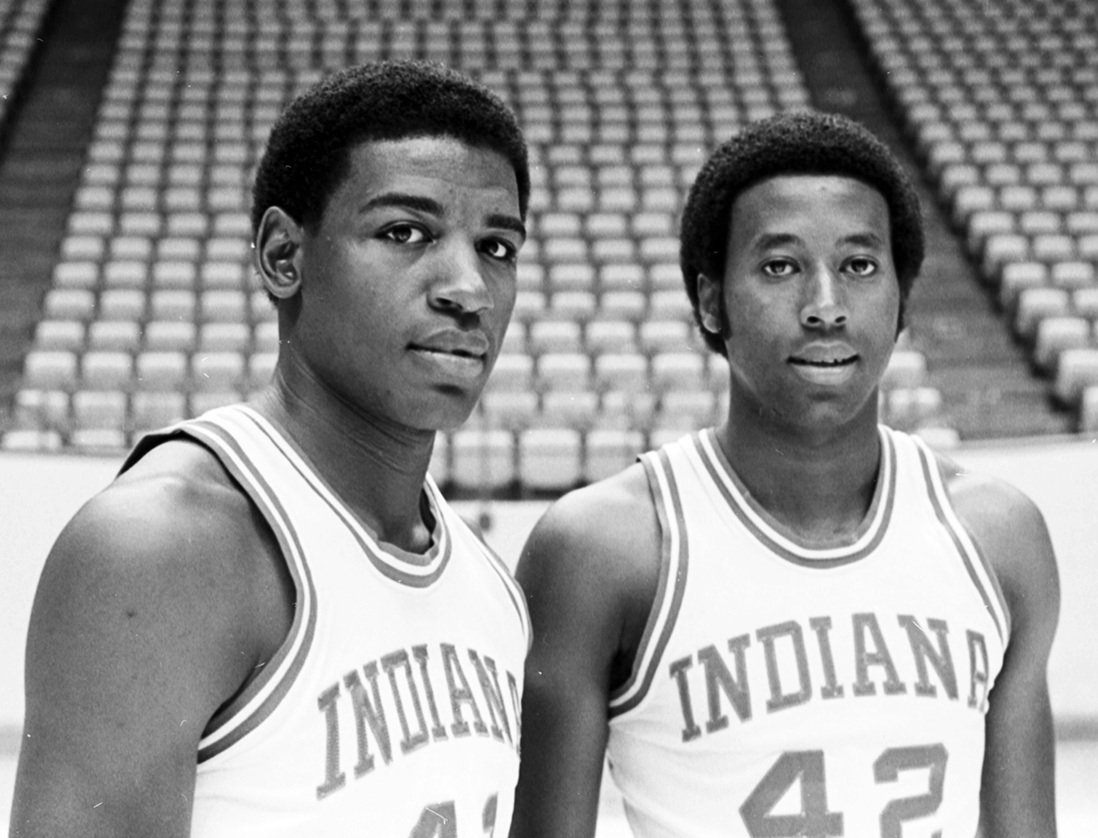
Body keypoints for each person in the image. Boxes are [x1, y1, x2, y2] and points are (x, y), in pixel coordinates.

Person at [12, 59, 532, 837]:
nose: (469, 287)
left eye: (497, 246)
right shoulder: (162, 548)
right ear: (284, 257)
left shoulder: (490, 587)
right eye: (404, 232)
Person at [510, 111, 1059, 838]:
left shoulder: (996, 535)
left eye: (860, 266)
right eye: (780, 266)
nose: (825, 307)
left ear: (903, 301)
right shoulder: (604, 549)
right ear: (711, 301)